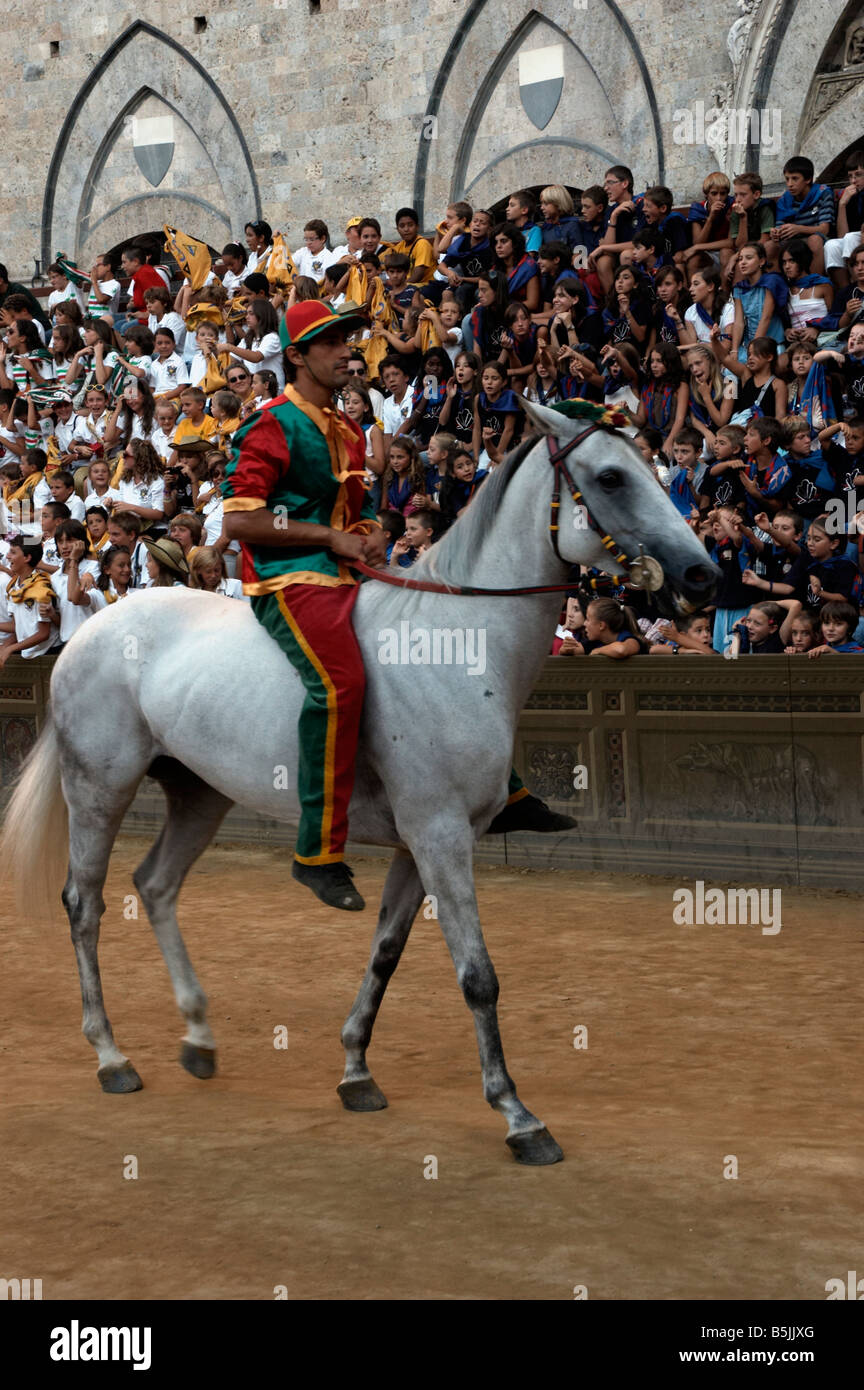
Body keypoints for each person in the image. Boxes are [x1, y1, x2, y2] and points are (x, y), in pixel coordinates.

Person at [221, 300, 388, 910]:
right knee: (338, 687)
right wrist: (328, 537)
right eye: (332, 342)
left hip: (348, 573)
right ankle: (317, 852)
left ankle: (498, 793)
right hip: (289, 580)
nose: (349, 349)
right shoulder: (270, 423)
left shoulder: (347, 429)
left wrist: (369, 531)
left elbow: (356, 513)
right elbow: (240, 520)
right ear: (294, 356)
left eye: (350, 339)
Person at [0, 538, 57, 664]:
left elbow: (43, 633)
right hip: (27, 652)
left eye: (13, 552)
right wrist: (5, 647)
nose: (7, 556)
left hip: (47, 653)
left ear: (27, 558)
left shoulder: (41, 588)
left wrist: (10, 648)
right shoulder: (13, 586)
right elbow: (16, 626)